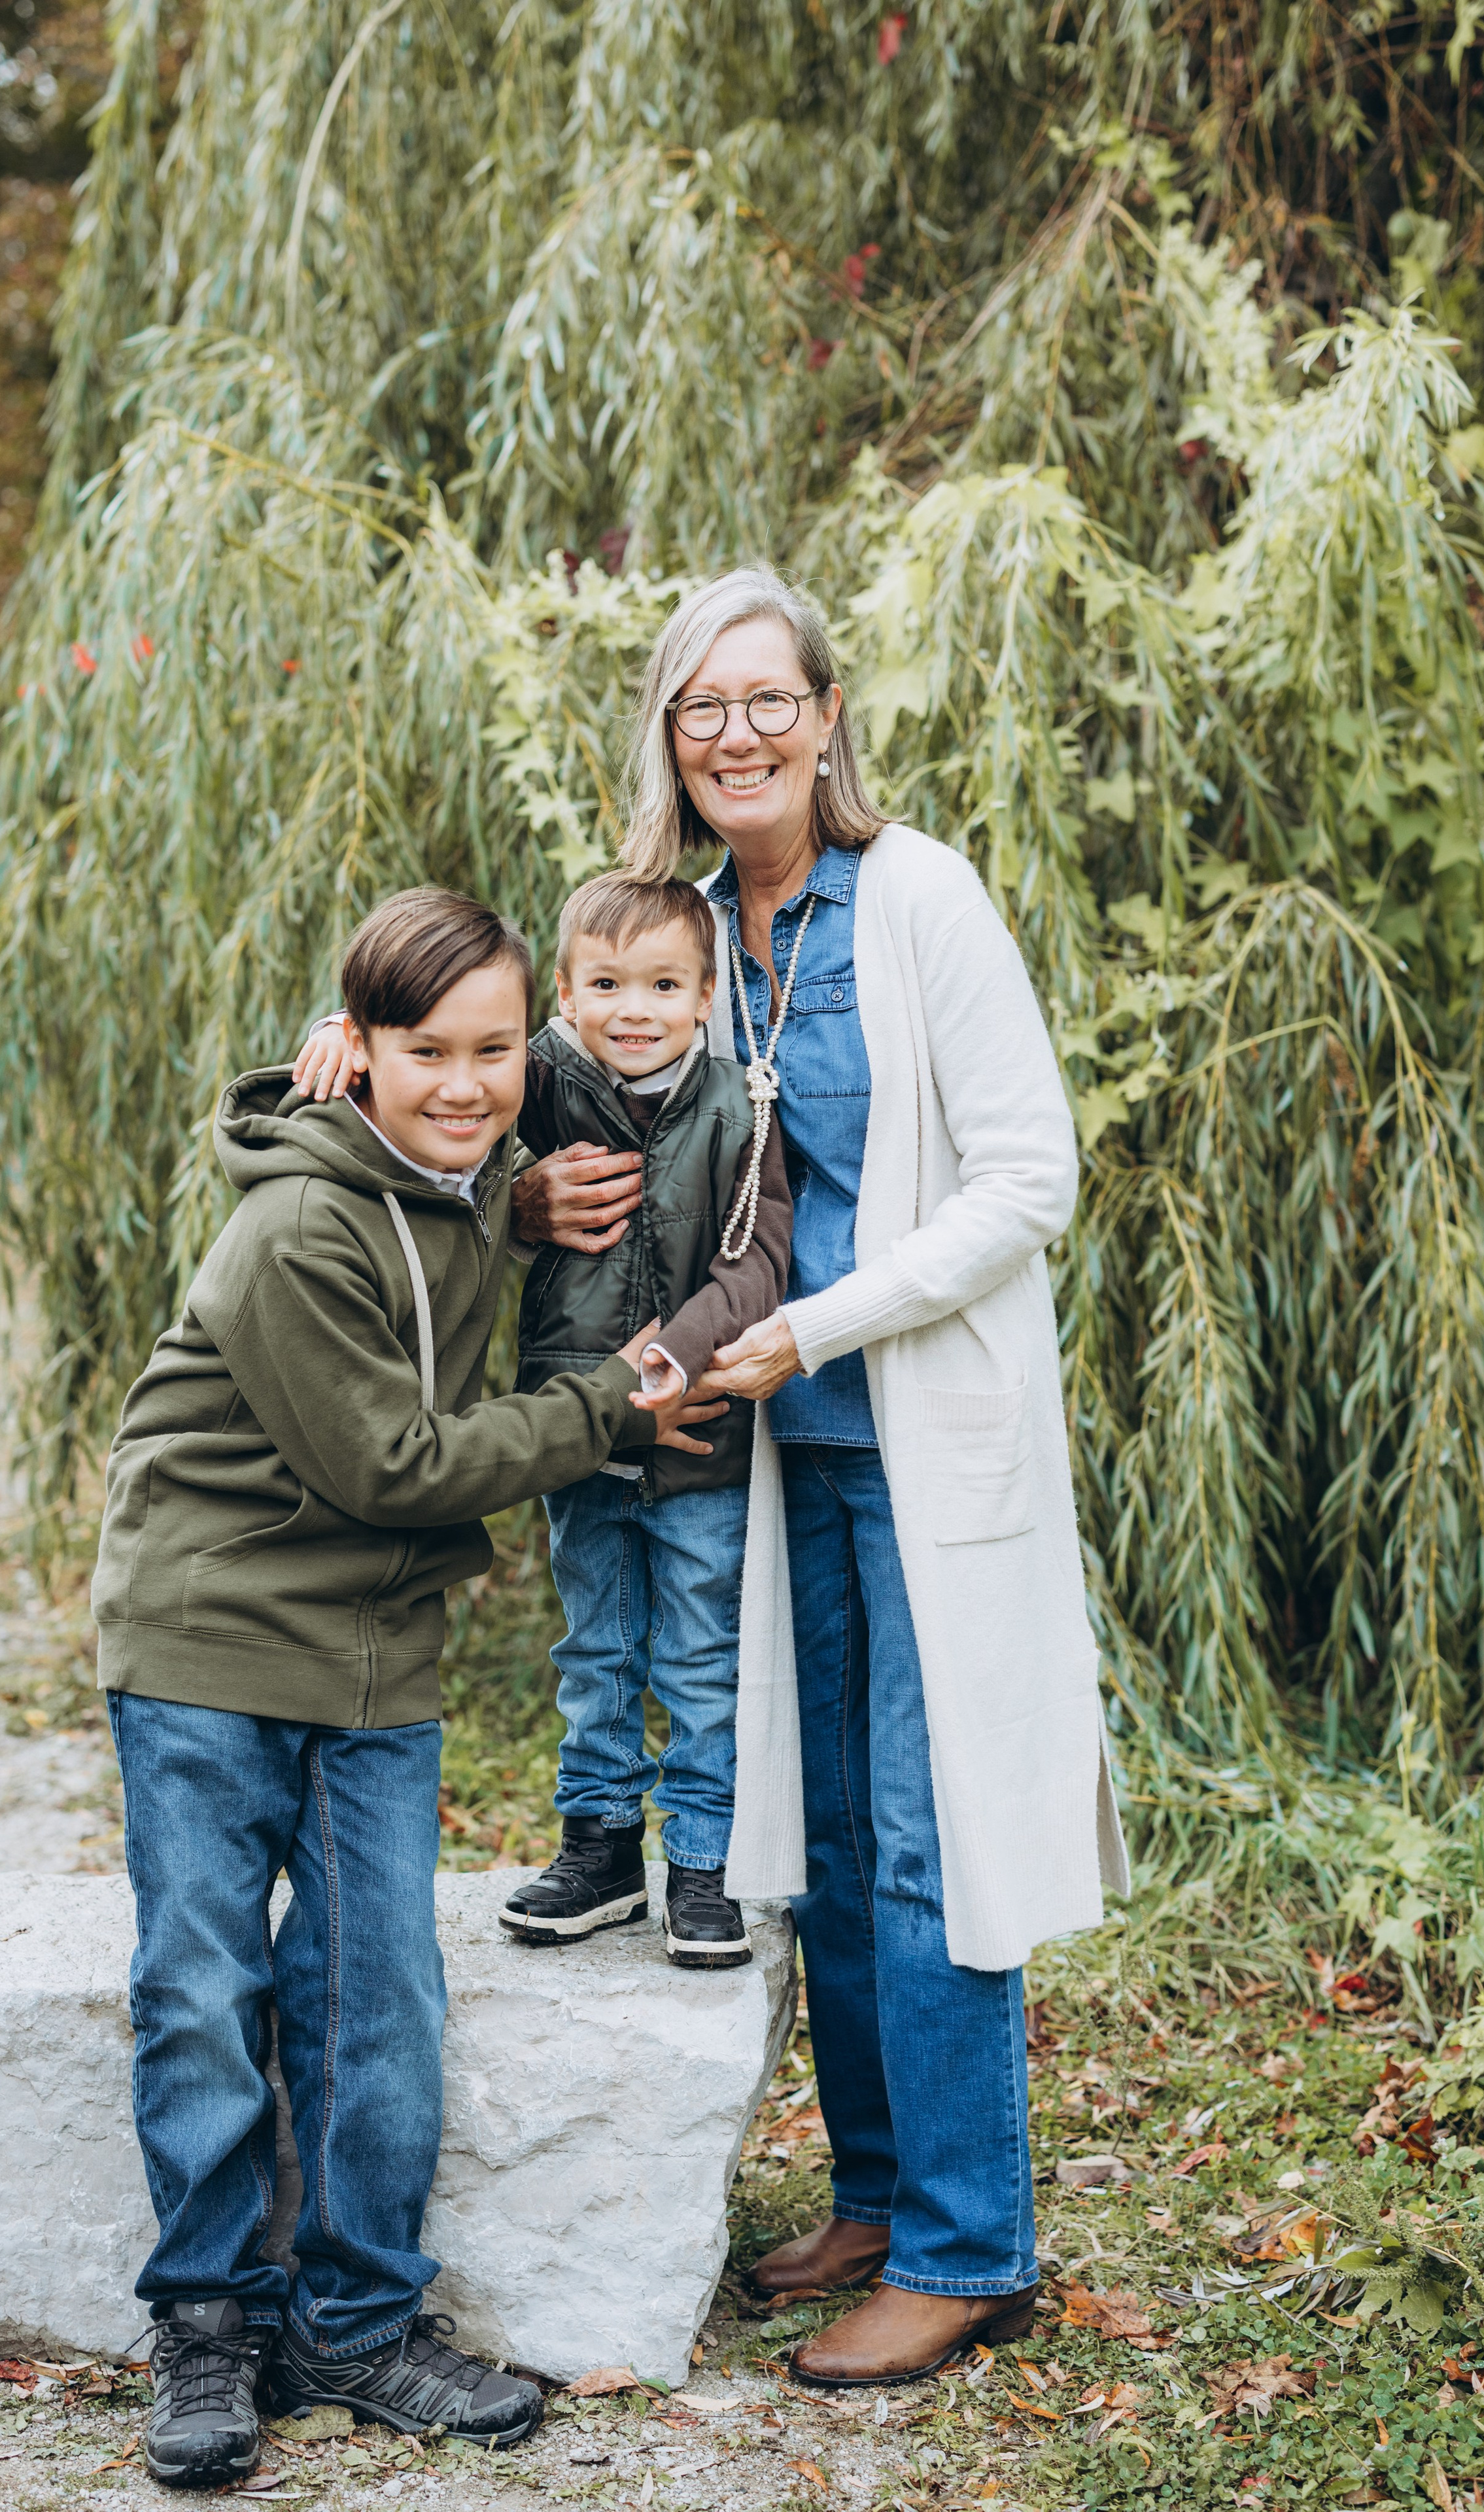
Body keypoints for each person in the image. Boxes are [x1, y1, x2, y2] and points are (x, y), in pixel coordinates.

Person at [511, 568, 1131, 2390]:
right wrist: (475, 1153)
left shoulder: (921, 898)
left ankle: (968, 2245)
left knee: (928, 1843)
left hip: (920, 1439)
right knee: (833, 1847)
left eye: (769, 699)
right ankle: (874, 2194)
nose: (740, 734)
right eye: (703, 708)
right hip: (764, 1459)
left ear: (828, 715)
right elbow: (515, 1068)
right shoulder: (679, 931)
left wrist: (828, 1323)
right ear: (671, 738)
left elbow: (1030, 1183)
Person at [93, 887, 704, 2487]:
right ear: (350, 1055)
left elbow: (626, 1000)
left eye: (495, 1050)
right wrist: (608, 1412)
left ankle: (355, 2324)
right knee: (203, 1988)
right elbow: (393, 1463)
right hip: (213, 1635)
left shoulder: (466, 1179)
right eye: (422, 1050)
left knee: (381, 1996)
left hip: (377, 1650)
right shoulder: (295, 1225)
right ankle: (210, 2324)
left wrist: (518, 1198)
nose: (465, 1082)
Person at [298, 869, 792, 1968]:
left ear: (706, 996)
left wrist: (673, 1357)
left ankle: (702, 1864)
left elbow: (756, 1263)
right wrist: (335, 1030)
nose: (635, 1008)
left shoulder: (742, 1110)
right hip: (578, 1428)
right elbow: (438, 1044)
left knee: (704, 1655)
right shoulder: (550, 1083)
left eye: (665, 984)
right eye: (607, 983)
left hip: (700, 1429)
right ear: (563, 997)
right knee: (598, 1647)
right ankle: (602, 1847)